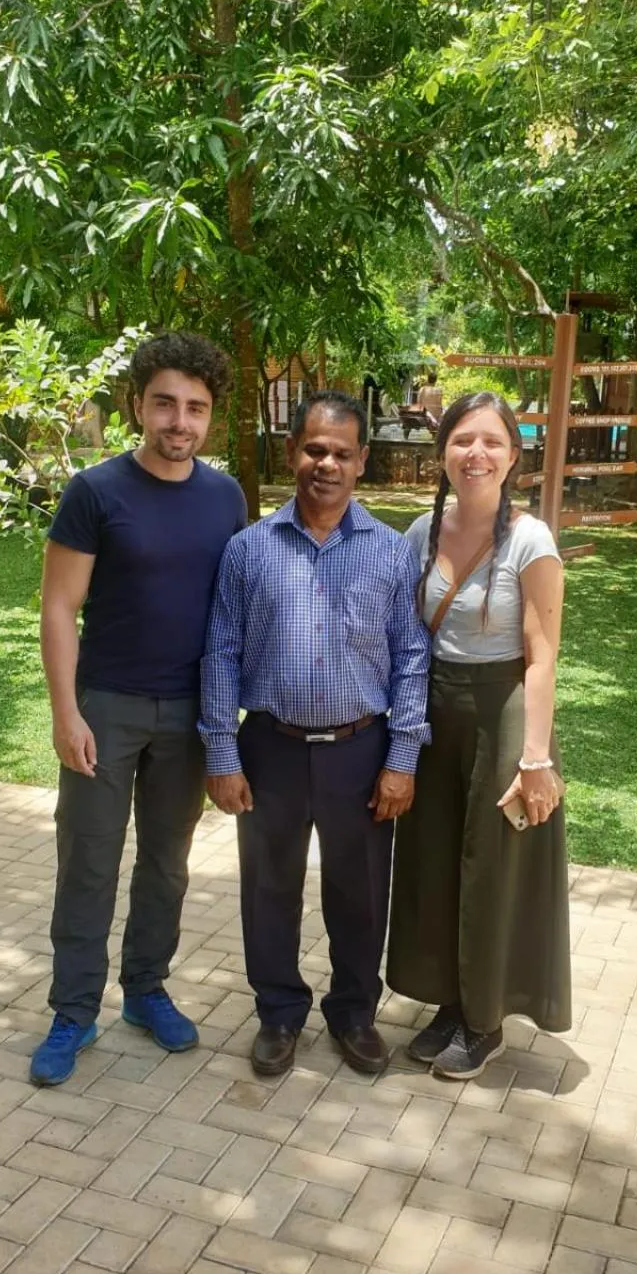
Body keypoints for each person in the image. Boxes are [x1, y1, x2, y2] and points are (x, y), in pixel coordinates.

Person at [30, 332, 247, 1087]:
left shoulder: (226, 497)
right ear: (138, 405)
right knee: (87, 862)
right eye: (165, 403)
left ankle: (146, 991)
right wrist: (67, 712)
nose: (179, 420)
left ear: (210, 417)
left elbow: (230, 614)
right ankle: (72, 1011)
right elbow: (59, 607)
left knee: (167, 864)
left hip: (187, 715)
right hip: (108, 708)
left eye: (195, 407)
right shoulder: (96, 491)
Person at [201, 391, 431, 1078]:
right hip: (268, 747)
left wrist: (402, 758)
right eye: (312, 449)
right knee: (268, 888)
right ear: (290, 452)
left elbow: (412, 658)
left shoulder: (391, 554)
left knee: (359, 891)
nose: (324, 463)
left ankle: (355, 1012)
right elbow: (221, 653)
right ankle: (277, 1013)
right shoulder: (248, 551)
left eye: (340, 453)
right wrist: (220, 751)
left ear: (362, 462)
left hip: (361, 750)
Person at [386, 390, 571, 1081]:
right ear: (442, 454)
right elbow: (404, 635)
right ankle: (448, 1001)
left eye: (492, 441)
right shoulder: (418, 534)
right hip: (435, 713)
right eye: (463, 440)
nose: (477, 454)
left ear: (513, 455)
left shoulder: (530, 539)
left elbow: (543, 654)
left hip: (505, 711)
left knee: (489, 868)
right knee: (433, 860)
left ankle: (485, 1019)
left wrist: (535, 757)